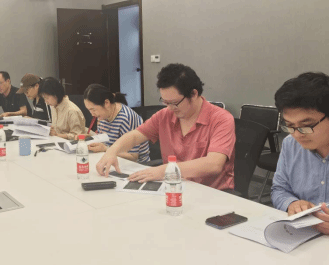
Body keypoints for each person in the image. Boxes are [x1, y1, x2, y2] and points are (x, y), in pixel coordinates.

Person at [96, 63, 236, 191]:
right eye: (165, 102)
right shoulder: (165, 115)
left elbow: (213, 164)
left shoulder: (221, 119)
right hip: (173, 188)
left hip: (212, 194)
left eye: (174, 103)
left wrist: (163, 170)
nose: (169, 108)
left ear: (194, 94)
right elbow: (134, 136)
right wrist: (111, 151)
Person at [272, 72, 329, 236]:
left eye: (306, 125)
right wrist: (292, 203)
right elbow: (279, 189)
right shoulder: (290, 144)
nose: (297, 135)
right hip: (303, 236)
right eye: (290, 126)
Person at [83, 84, 150, 163]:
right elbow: (105, 140)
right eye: (89, 110)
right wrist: (91, 138)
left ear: (106, 103)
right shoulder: (102, 116)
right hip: (110, 159)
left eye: (93, 109)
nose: (92, 114)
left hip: (136, 165)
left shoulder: (125, 118)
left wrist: (106, 149)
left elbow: (133, 157)